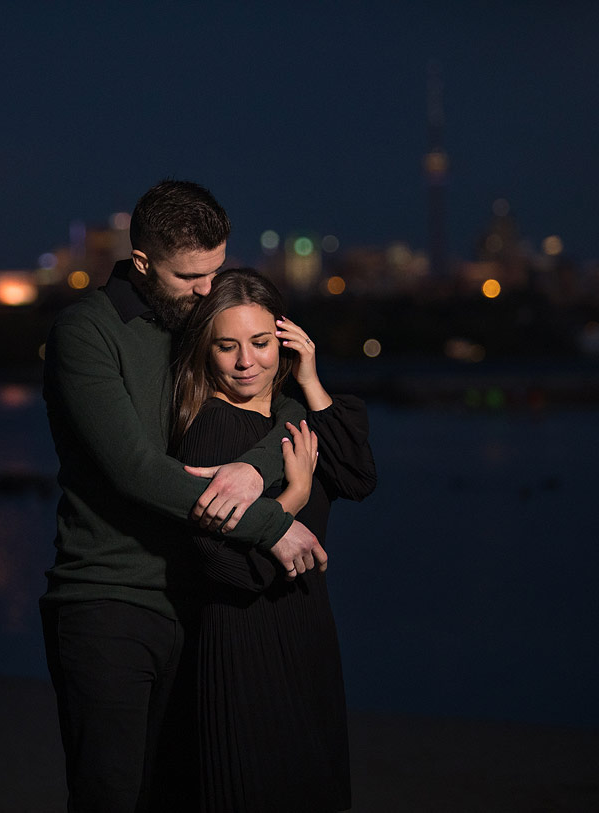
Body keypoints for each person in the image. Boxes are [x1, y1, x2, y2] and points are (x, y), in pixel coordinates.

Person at [40, 181, 324, 812]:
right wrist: (268, 525)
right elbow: (137, 472)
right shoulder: (86, 334)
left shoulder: (203, 324)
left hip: (203, 604)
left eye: (216, 271)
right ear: (142, 264)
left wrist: (251, 472)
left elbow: (283, 413)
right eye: (190, 276)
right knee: (110, 797)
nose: (206, 290)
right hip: (108, 600)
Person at [172, 268, 376, 813]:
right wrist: (297, 494)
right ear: (205, 350)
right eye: (227, 346)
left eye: (262, 343)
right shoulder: (209, 431)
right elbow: (221, 564)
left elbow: (358, 477)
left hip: (306, 635)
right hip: (243, 641)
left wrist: (309, 379)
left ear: (284, 341)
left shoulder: (292, 417)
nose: (247, 362)